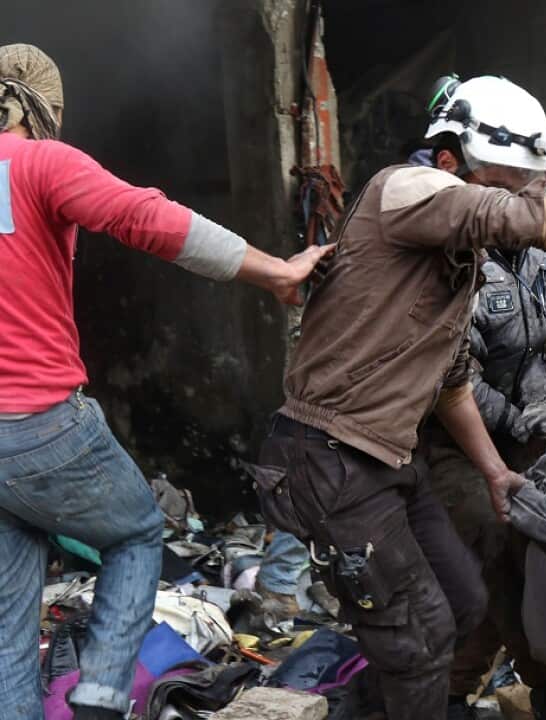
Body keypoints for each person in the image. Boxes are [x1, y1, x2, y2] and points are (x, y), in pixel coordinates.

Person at [254, 75, 546, 720]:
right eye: (501, 187)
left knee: (463, 605)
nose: (512, 204)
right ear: (448, 161)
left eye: (526, 187)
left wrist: (495, 472)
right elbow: (519, 220)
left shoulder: (455, 259)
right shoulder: (404, 189)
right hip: (333, 453)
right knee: (421, 637)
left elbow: (451, 377)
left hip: (391, 459)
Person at [0, 44, 332, 720]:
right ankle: (100, 696)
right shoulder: (41, 162)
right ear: (41, 109)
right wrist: (275, 271)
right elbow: (148, 217)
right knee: (135, 533)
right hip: (40, 422)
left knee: (9, 617)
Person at [430, 204, 546, 720]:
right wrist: (516, 420)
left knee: (545, 544)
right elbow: (456, 375)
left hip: (533, 419)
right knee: (496, 545)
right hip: (456, 438)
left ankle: (463, 689)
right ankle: (541, 687)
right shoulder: (455, 263)